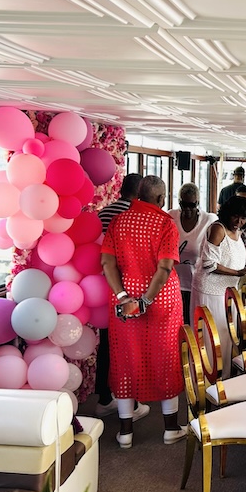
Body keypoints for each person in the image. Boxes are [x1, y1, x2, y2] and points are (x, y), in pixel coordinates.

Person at [101, 175, 185, 449]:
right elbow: (164, 268)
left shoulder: (118, 221)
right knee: (166, 357)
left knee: (126, 358)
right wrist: (146, 300)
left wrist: (125, 296)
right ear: (161, 199)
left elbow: (107, 263)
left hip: (124, 300)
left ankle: (125, 432)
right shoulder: (164, 223)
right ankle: (170, 428)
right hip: (160, 299)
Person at [94, 173, 148, 420]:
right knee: (131, 346)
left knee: (106, 344)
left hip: (100, 285)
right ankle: (132, 402)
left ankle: (104, 398)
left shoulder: (104, 212)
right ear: (140, 193)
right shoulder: (136, 215)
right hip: (129, 286)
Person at [190, 196, 246, 378]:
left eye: (243, 218)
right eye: (235, 216)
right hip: (211, 290)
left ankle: (224, 377)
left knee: (227, 334)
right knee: (213, 336)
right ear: (227, 213)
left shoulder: (238, 231)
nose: (238, 222)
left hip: (228, 291)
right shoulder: (218, 229)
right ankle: (209, 379)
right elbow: (209, 264)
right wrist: (237, 273)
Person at [168, 183, 216, 324]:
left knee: (192, 324)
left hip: (195, 283)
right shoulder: (171, 216)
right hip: (174, 282)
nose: (188, 209)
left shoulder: (208, 220)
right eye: (184, 205)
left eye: (192, 205)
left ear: (198, 203)